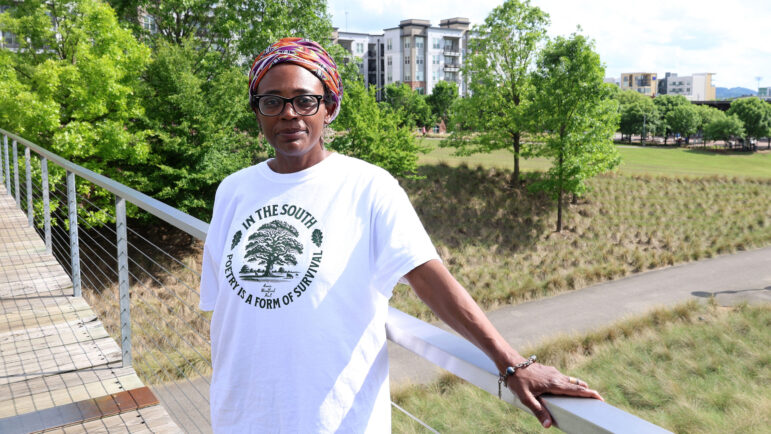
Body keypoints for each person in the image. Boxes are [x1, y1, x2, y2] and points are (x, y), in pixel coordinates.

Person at [199, 38, 602, 433]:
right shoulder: (234, 191)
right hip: (241, 415)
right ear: (257, 111)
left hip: (333, 421)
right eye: (272, 101)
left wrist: (511, 362)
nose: (289, 114)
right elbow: (229, 311)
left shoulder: (368, 187)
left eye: (305, 100)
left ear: (330, 108)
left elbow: (430, 279)